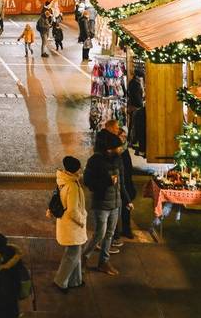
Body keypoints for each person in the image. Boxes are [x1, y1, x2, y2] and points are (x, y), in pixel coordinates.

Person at [82, 132, 122, 275]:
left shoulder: (117, 160)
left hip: (116, 203)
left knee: (109, 234)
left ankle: (103, 262)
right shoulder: (95, 161)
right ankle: (83, 257)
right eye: (118, 147)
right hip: (101, 204)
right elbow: (88, 182)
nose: (120, 149)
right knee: (100, 234)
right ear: (109, 148)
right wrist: (107, 181)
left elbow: (120, 182)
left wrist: (125, 200)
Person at [52, 156, 87, 293]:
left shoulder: (64, 180)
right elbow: (73, 210)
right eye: (79, 167)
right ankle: (60, 281)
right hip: (72, 225)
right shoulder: (72, 185)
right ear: (74, 170)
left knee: (75, 253)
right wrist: (82, 220)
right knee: (72, 254)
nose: (81, 169)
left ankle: (75, 281)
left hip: (66, 224)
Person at [125, 71, 145, 155]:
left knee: (132, 124)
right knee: (134, 125)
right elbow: (137, 97)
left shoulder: (132, 83)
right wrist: (141, 105)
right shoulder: (136, 84)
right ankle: (133, 141)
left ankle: (130, 140)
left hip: (132, 106)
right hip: (135, 107)